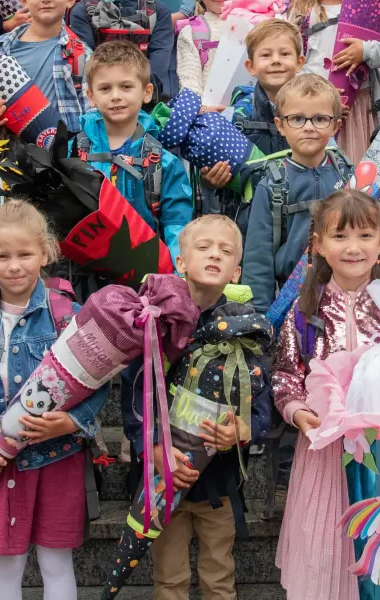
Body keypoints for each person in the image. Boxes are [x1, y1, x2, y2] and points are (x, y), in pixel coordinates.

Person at [271, 189, 380, 600]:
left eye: (365, 236)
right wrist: (297, 411)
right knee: (322, 553)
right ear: (319, 245)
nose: (352, 247)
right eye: (340, 236)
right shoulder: (304, 310)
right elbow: (285, 374)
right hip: (325, 454)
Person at [0, 200, 107, 600]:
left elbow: (98, 382)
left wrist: (74, 421)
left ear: (45, 252)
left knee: (55, 559)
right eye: (2, 256)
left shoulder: (69, 315)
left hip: (58, 458)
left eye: (25, 254)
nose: (14, 265)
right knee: (7, 561)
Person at [131, 216, 266, 600]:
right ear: (180, 261)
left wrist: (244, 429)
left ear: (236, 271)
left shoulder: (247, 326)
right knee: (169, 580)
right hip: (163, 478)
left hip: (218, 483)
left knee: (219, 577)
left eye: (225, 251)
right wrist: (153, 448)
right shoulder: (155, 317)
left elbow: (263, 397)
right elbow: (135, 392)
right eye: (203, 247)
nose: (214, 254)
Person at [239, 73, 351, 313]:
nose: (309, 127)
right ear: (280, 125)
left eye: (320, 119)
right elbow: (258, 260)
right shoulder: (271, 185)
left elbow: (376, 232)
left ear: (335, 125)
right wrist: (259, 317)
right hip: (293, 301)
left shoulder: (349, 175)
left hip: (349, 295)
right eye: (297, 119)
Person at [68, 39, 194, 252]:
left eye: (126, 86)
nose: (116, 96)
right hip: (82, 275)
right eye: (105, 88)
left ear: (146, 92)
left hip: (145, 273)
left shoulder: (164, 163)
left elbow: (177, 227)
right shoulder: (72, 152)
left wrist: (176, 275)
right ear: (91, 97)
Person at [289, 0, 380, 161]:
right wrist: (318, 94)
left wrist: (366, 52)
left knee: (353, 173)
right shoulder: (301, 12)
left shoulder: (368, 7)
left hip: (358, 107)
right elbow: (291, 61)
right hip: (313, 110)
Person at [0, 0, 92, 136]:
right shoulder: (0, 50)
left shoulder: (81, 55)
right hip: (12, 152)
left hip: (64, 156)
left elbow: (90, 112)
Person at [229, 18, 307, 157]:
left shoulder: (313, 106)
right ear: (251, 66)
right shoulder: (241, 113)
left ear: (299, 62)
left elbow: (330, 157)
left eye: (285, 54)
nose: (276, 60)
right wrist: (212, 178)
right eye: (266, 55)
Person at [176, 0, 244, 96]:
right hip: (207, 113)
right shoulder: (190, 32)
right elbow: (189, 84)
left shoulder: (252, 26)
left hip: (248, 111)